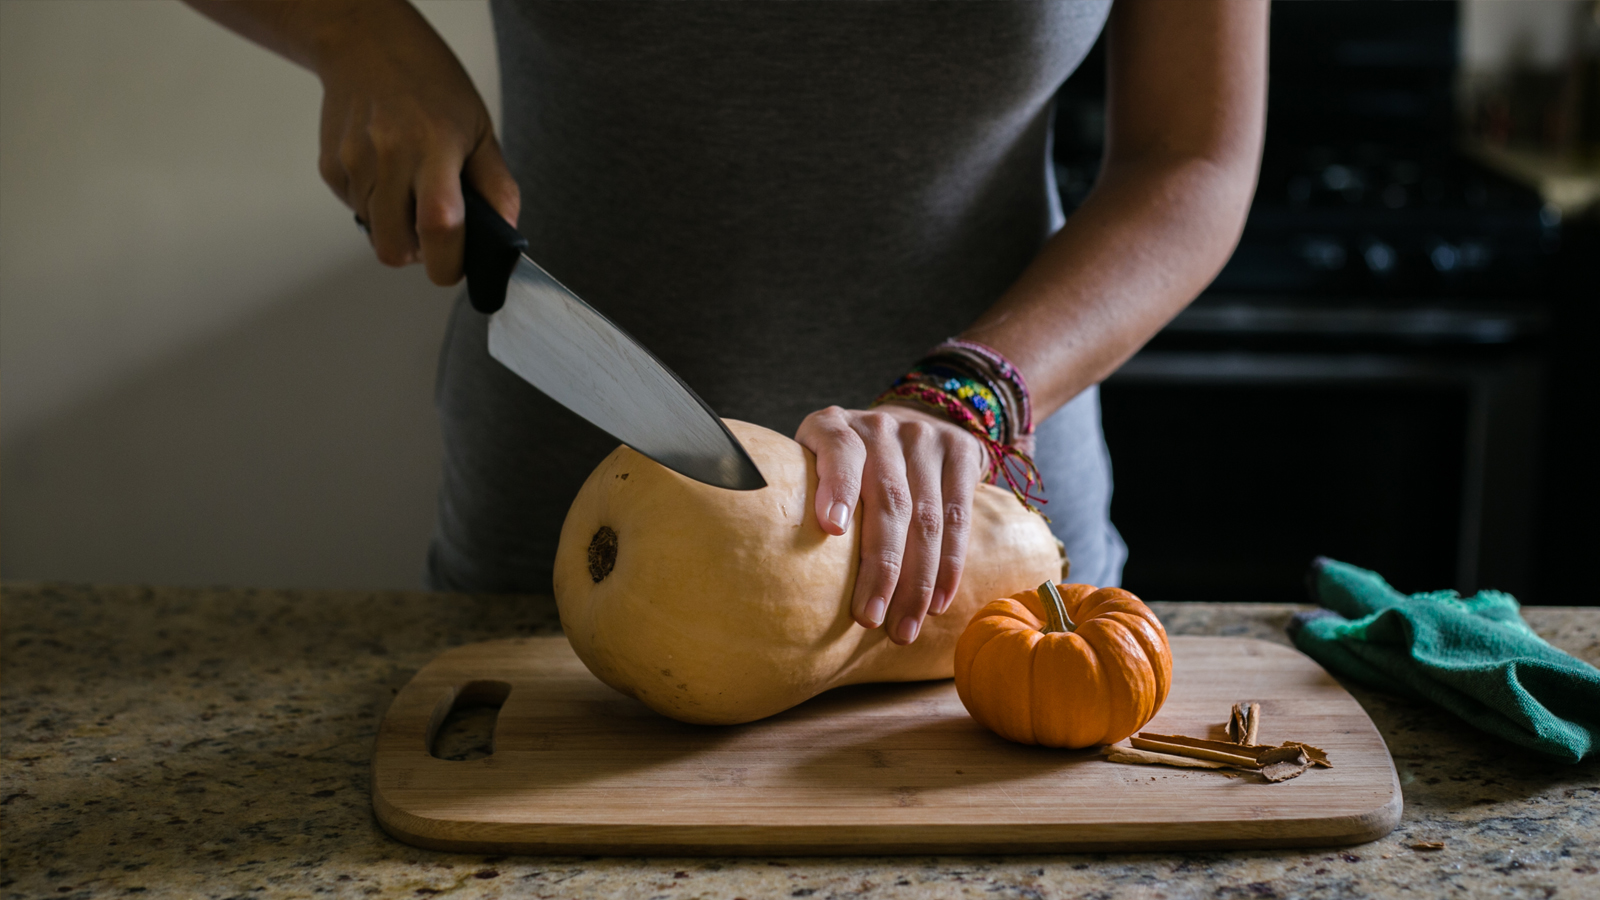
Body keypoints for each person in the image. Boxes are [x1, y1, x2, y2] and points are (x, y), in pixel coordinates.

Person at [188, 0, 1266, 645]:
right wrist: (352, 29)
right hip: (571, 540)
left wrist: (975, 391)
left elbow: (1193, 156)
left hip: (973, 551)